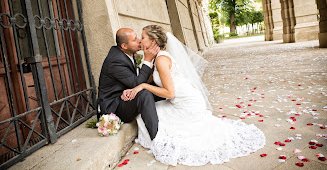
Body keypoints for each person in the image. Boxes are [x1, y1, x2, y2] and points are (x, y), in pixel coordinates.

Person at [122, 25, 266, 166]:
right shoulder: (156, 57)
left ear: (153, 41)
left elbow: (169, 93)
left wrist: (143, 86)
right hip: (181, 100)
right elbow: (153, 78)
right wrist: (139, 82)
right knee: (148, 113)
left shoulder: (161, 59)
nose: (140, 41)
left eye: (142, 37)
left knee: (150, 116)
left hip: (186, 103)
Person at [97, 28, 162, 140]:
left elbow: (138, 81)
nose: (139, 41)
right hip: (114, 107)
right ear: (124, 46)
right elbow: (137, 83)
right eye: (134, 40)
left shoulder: (128, 53)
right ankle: (156, 138)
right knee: (144, 94)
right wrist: (147, 60)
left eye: (138, 37)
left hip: (126, 95)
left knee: (159, 87)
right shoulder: (115, 61)